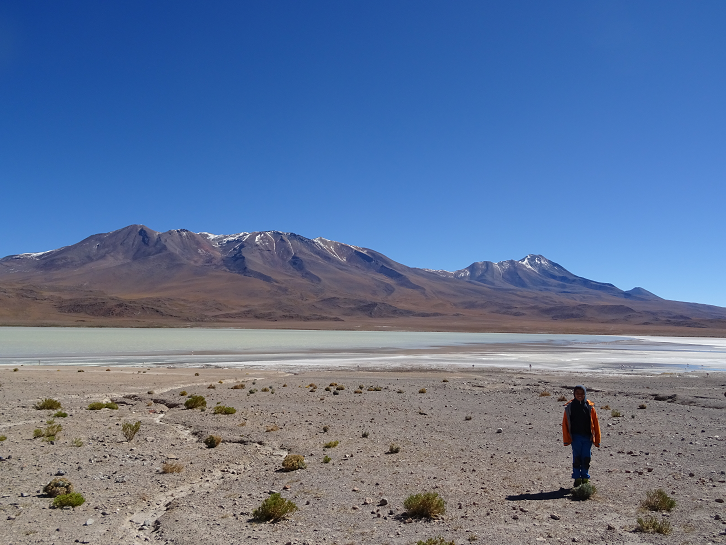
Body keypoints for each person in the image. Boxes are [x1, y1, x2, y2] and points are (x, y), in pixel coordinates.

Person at [562, 385, 601, 487]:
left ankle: (585, 478)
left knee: (586, 458)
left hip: (587, 438)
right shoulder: (570, 407)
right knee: (577, 458)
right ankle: (577, 478)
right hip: (575, 438)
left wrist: (597, 439)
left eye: (582, 393)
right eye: (577, 393)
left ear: (585, 394)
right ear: (574, 394)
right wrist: (566, 439)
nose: (579, 395)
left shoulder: (590, 407)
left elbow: (596, 424)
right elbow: (565, 424)